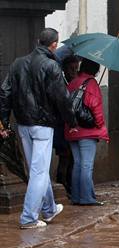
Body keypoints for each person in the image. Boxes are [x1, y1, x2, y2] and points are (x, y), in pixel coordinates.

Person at [0, 28, 78, 229]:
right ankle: (28, 218)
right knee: (38, 172)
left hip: (23, 124)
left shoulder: (17, 63)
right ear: (54, 45)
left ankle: (49, 209)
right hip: (43, 125)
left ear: (38, 41)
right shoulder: (51, 66)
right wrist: (72, 121)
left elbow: (4, 93)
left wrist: (4, 121)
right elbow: (62, 98)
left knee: (37, 170)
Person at [65, 58, 109, 206]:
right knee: (86, 165)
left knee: (78, 164)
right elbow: (96, 108)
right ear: (95, 70)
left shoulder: (73, 83)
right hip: (87, 131)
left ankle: (76, 197)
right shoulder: (91, 84)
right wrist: (101, 126)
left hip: (72, 129)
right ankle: (87, 198)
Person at [55, 55, 80, 198]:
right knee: (65, 157)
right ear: (64, 69)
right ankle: (63, 184)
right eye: (71, 69)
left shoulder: (75, 83)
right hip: (62, 127)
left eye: (76, 68)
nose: (74, 72)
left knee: (70, 158)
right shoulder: (62, 84)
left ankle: (68, 185)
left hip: (70, 126)